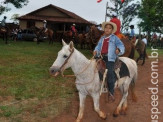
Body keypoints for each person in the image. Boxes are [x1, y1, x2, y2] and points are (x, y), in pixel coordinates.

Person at [93, 21, 125, 101]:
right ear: (104, 29)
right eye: (106, 28)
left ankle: (111, 93)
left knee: (110, 73)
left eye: (109, 28)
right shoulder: (102, 38)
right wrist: (95, 50)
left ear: (112, 30)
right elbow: (98, 46)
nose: (107, 29)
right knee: (92, 68)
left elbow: (121, 46)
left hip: (110, 58)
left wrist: (119, 50)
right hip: (101, 57)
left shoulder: (115, 38)